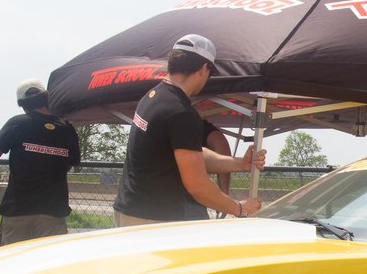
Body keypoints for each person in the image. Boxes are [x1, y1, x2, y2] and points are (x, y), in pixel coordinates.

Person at [113, 35, 265, 226]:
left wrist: (240, 163)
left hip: (131, 210)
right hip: (151, 220)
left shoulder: (153, 97)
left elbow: (192, 156)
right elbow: (197, 185)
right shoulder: (181, 112)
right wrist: (239, 208)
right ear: (203, 69)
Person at [0, 79, 81, 246]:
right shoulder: (66, 128)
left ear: (21, 104)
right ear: (46, 97)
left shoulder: (17, 123)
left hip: (18, 210)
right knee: (50, 260)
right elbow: (70, 164)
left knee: (13, 259)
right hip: (53, 212)